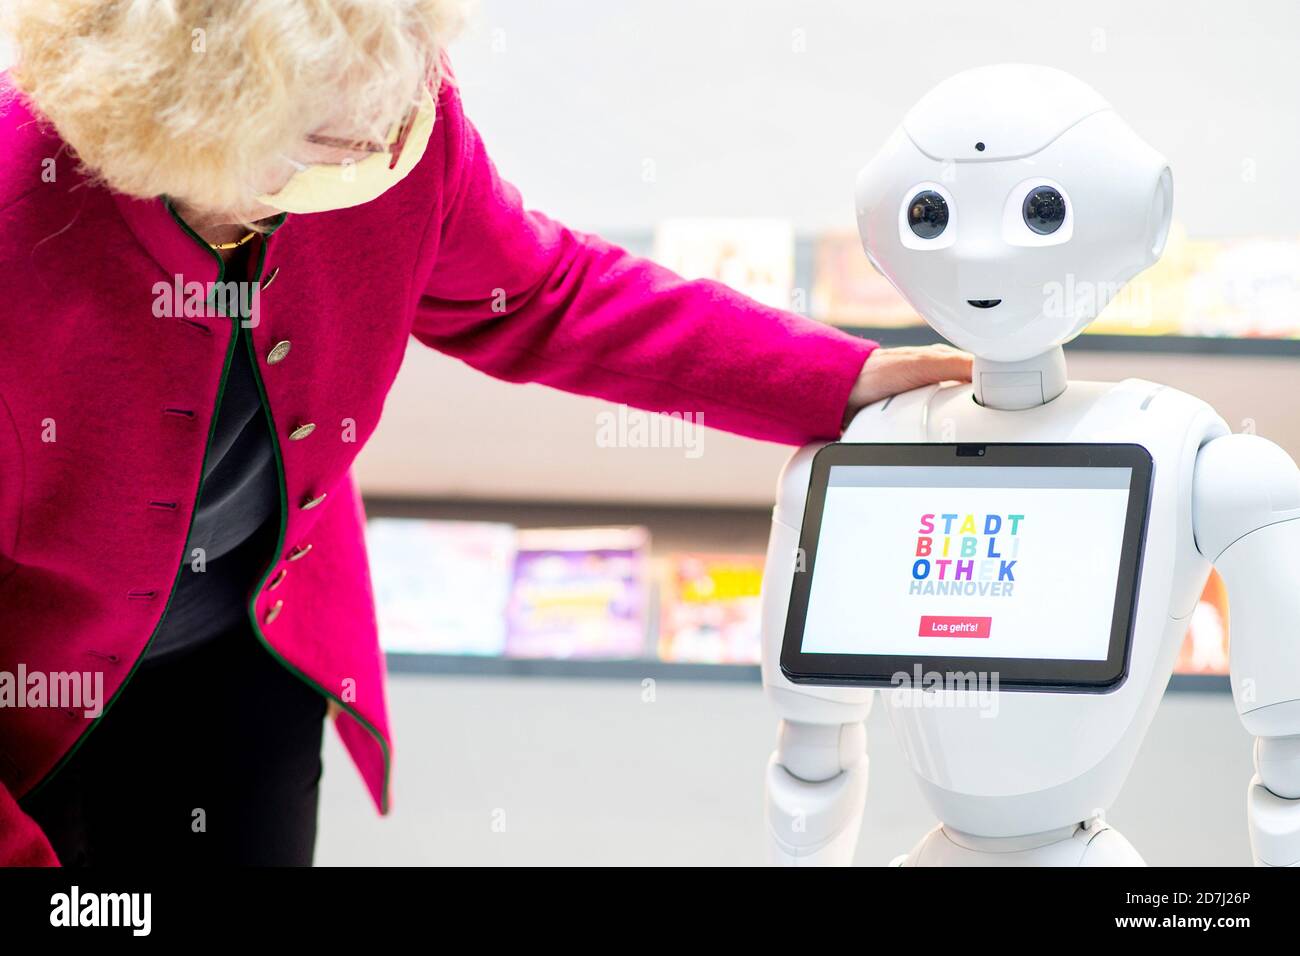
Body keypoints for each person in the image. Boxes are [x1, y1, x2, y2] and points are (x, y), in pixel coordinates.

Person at [0, 0, 970, 866]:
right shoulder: (22, 216)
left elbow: (545, 294)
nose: (378, 157)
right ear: (194, 126)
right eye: (327, 149)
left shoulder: (378, 103)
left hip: (256, 644)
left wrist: (835, 380)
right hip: (32, 691)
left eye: (392, 122)